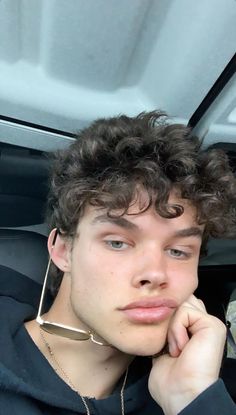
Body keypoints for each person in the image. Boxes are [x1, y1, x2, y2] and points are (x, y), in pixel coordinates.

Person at [1, 110, 236, 414]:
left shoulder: (206, 391)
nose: (154, 274)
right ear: (61, 250)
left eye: (178, 251)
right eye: (117, 242)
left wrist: (190, 400)